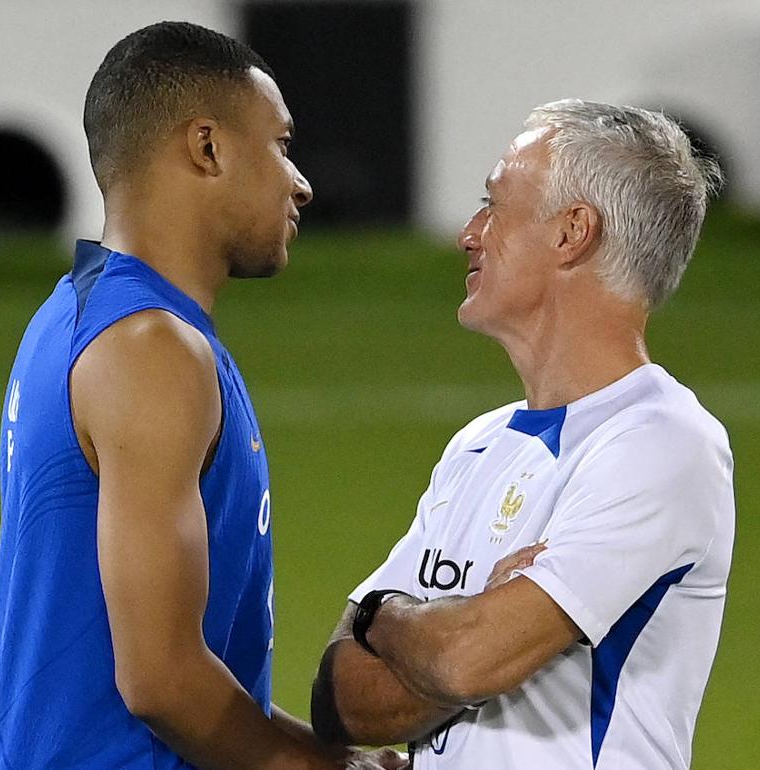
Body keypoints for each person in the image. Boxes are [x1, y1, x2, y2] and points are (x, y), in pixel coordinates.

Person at [0, 21, 401, 770]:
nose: (299, 180)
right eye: (279, 145)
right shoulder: (152, 351)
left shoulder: (76, 314)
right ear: (207, 147)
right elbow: (164, 683)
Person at [310, 100, 734, 769]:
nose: (469, 233)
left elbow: (465, 661)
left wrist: (382, 616)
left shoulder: (661, 443)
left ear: (572, 232)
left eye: (493, 204)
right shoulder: (479, 445)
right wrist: (475, 625)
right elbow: (341, 701)